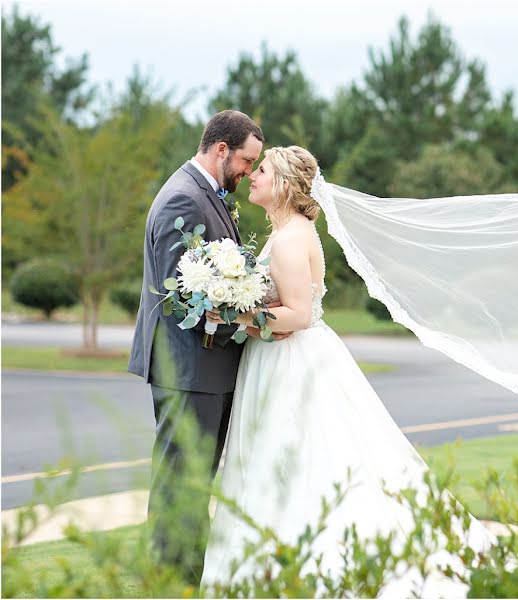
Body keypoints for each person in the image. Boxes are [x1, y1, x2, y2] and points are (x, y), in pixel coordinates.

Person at [200, 146, 495, 596]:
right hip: (291, 356)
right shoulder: (292, 232)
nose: (254, 176)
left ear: (285, 185)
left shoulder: (288, 239)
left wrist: (231, 316)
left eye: (264, 170)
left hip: (290, 361)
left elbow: (297, 314)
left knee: (295, 461)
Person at [128, 110, 273, 583]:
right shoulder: (183, 200)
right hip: (188, 367)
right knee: (180, 480)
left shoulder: (207, 196)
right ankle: (172, 578)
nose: (249, 172)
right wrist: (242, 316)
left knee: (195, 478)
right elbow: (179, 294)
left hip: (205, 368)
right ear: (221, 150)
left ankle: (188, 573)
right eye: (247, 162)